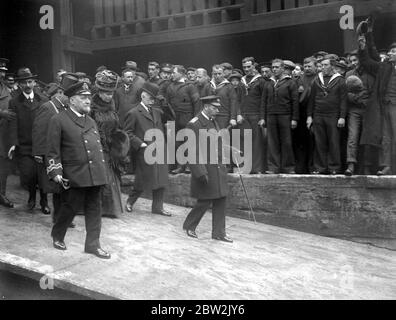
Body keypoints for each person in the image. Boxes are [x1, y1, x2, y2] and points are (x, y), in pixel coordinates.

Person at [47, 81, 111, 259]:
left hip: (95, 173)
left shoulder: (90, 120)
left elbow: (96, 147)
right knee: (70, 207)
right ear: (72, 100)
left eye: (89, 98)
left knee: (94, 210)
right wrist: (56, 172)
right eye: (83, 98)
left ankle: (93, 245)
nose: (88, 101)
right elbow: (52, 150)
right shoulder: (58, 120)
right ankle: (58, 234)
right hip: (75, 174)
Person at [183, 96, 232, 243]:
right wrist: (199, 172)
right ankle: (189, 226)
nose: (217, 110)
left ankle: (219, 232)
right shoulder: (194, 124)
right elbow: (191, 151)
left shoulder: (212, 121)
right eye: (215, 107)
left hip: (218, 167)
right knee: (205, 200)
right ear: (206, 107)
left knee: (221, 199)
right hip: (206, 168)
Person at [123, 82, 170, 216]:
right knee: (142, 179)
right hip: (145, 150)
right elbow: (128, 133)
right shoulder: (133, 113)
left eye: (154, 98)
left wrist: (164, 103)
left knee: (161, 178)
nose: (153, 100)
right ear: (143, 96)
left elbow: (171, 117)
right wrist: (141, 144)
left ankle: (158, 207)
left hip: (159, 149)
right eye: (151, 98)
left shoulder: (157, 111)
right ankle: (130, 201)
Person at [8, 68, 50, 213]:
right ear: (19, 85)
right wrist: (14, 143)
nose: (28, 85)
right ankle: (32, 198)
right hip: (25, 145)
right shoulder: (14, 102)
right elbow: (13, 124)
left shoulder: (43, 99)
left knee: (42, 174)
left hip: (41, 144)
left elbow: (48, 122)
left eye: (30, 81)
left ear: (34, 83)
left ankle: (44, 201)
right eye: (24, 82)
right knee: (30, 173)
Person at [91, 70, 128, 218]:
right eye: (105, 93)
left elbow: (115, 124)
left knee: (110, 178)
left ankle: (109, 209)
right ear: (99, 91)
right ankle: (96, 208)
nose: (109, 96)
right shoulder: (91, 107)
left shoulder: (112, 104)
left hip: (110, 148)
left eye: (111, 93)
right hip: (96, 148)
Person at [32, 80, 71, 224]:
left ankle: (62, 216)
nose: (69, 99)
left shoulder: (63, 107)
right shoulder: (47, 108)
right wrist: (38, 152)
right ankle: (58, 217)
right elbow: (38, 131)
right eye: (68, 95)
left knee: (63, 186)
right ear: (59, 94)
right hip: (49, 152)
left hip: (63, 152)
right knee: (55, 186)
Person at [358, 36, 396, 175]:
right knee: (386, 137)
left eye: (393, 51)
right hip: (385, 106)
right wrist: (362, 48)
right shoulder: (384, 67)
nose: (390, 54)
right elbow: (367, 62)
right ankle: (386, 166)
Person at [307, 59, 347, 174]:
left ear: (332, 66)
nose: (322, 67)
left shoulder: (340, 80)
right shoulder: (316, 80)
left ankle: (334, 168)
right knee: (320, 142)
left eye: (325, 65)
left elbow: (343, 100)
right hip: (318, 114)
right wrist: (309, 116)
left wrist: (342, 117)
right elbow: (311, 99)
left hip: (333, 115)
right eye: (321, 65)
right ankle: (320, 168)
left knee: (333, 142)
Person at [264, 59, 299, 174]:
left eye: (277, 67)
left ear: (283, 69)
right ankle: (273, 167)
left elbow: (295, 102)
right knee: (272, 142)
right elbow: (263, 102)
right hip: (271, 116)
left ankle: (288, 167)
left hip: (285, 115)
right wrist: (262, 117)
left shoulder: (290, 82)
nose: (274, 69)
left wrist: (294, 118)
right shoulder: (269, 82)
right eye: (273, 67)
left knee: (287, 142)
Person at [344, 51, 376, 176]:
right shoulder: (348, 74)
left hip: (368, 110)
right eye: (351, 61)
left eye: (355, 60)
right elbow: (346, 93)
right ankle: (350, 165)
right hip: (354, 110)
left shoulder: (371, 74)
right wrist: (358, 99)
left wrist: (366, 101)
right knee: (353, 137)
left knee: (367, 138)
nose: (353, 63)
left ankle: (367, 167)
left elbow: (373, 92)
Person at [166, 65, 200, 174]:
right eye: (171, 73)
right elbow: (167, 104)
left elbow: (197, 103)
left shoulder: (190, 86)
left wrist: (195, 118)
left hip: (188, 117)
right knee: (177, 142)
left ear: (181, 73)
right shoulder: (170, 86)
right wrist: (168, 120)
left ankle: (190, 166)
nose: (172, 75)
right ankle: (181, 166)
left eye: (173, 72)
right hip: (174, 118)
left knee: (189, 141)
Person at [240, 56, 266, 174]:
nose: (246, 69)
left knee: (256, 143)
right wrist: (239, 114)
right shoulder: (241, 81)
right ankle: (246, 167)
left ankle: (257, 168)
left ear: (254, 66)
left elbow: (263, 100)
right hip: (244, 115)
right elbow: (238, 99)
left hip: (256, 115)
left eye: (248, 66)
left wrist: (262, 117)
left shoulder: (261, 81)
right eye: (244, 67)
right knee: (244, 142)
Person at [0, 58, 14, 208]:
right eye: (0, 72)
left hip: (3, 133)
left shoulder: (5, 88)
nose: (2, 75)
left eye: (3, 72)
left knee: (3, 166)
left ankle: (1, 194)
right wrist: (1, 113)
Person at [114, 61, 145, 127]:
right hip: (121, 120)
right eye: (128, 77)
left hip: (134, 119)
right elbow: (116, 106)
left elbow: (142, 103)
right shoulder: (118, 88)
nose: (130, 79)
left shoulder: (140, 84)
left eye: (133, 70)